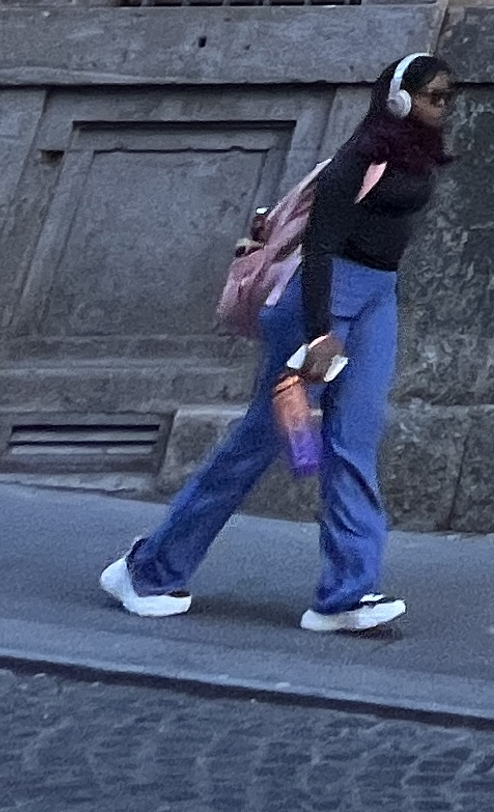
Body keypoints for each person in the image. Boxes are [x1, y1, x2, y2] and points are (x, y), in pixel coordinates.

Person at [105, 51, 455, 635]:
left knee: (354, 440)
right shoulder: (359, 158)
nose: (444, 106)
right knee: (261, 441)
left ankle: (344, 596)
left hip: (377, 298)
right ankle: (146, 571)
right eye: (433, 96)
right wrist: (319, 333)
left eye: (448, 97)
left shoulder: (418, 156)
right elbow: (318, 249)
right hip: (318, 302)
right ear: (399, 99)